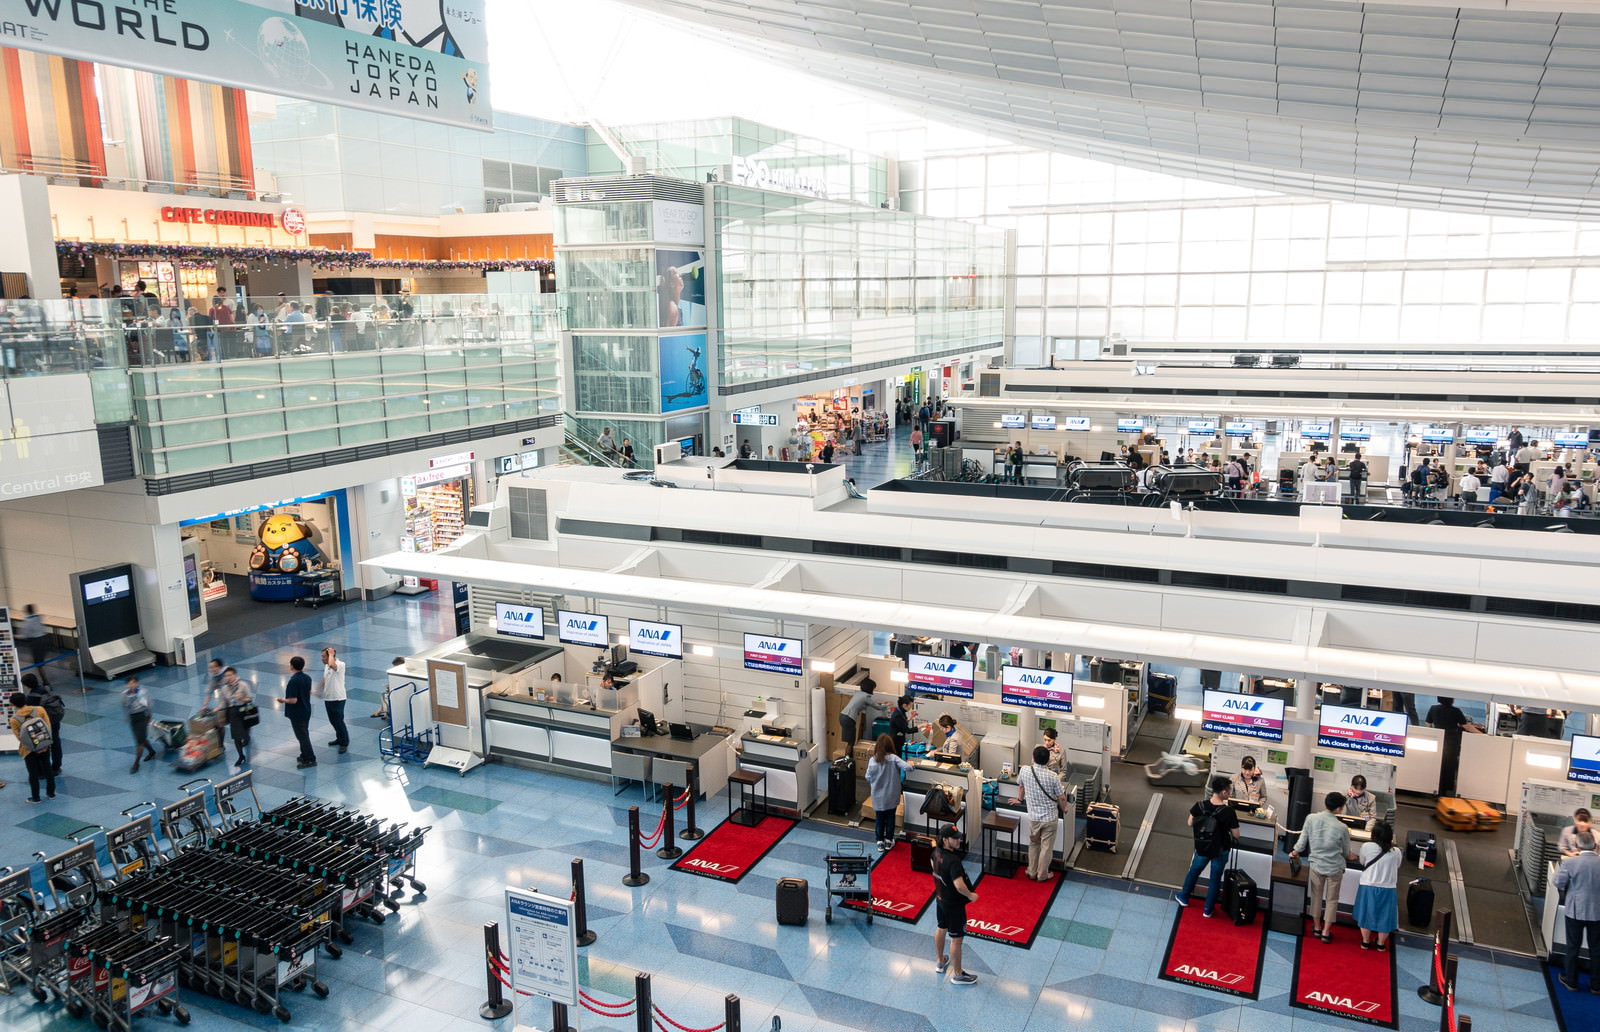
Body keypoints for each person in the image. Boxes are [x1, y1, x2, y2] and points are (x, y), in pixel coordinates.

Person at [1291, 792, 1357, 943]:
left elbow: (1301, 843)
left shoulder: (1311, 818)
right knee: (1332, 899)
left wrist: (1294, 851)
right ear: (1339, 809)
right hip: (1335, 867)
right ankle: (1326, 932)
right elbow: (1346, 853)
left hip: (1316, 865)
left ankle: (1316, 927)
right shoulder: (1342, 827)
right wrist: (1351, 856)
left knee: (1316, 897)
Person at [1175, 776, 1240, 916]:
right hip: (1221, 849)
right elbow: (1236, 835)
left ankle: (1184, 897)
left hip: (1202, 848)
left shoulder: (1199, 806)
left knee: (1194, 871)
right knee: (1215, 879)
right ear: (1223, 792)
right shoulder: (1229, 812)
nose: (1230, 793)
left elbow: (1189, 823)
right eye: (1229, 791)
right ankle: (1208, 909)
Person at [932, 824, 979, 985]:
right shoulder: (953, 861)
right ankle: (958, 974)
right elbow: (959, 885)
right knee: (956, 939)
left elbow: (935, 871)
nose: (958, 840)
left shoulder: (935, 852)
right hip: (953, 904)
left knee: (941, 927)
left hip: (940, 899)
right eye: (954, 838)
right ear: (945, 840)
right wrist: (970, 895)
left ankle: (940, 961)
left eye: (958, 837)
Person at [1554, 833, 1600, 992]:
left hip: (1575, 910)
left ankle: (1571, 981)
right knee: (1596, 949)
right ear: (1595, 846)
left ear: (1578, 847)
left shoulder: (1571, 862)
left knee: (1573, 947)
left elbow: (1558, 882)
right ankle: (1596, 985)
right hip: (1597, 912)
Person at [1016, 745, 1065, 881]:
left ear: (1033, 758)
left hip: (1033, 817)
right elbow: (1061, 797)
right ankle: (1042, 874)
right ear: (1048, 760)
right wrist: (1065, 808)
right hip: (1049, 818)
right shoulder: (1053, 776)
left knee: (1034, 843)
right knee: (1046, 847)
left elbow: (1021, 787)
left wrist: (1019, 799)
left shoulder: (1025, 771)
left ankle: (1031, 871)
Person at [1355, 822, 1402, 951]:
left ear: (1373, 835)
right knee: (1385, 917)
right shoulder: (1396, 851)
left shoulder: (1367, 847)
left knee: (1365, 914)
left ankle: (1365, 941)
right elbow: (1397, 866)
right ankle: (1381, 944)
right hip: (1388, 888)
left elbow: (1362, 862)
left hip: (1368, 885)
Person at [1426, 696, 1483, 797]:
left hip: (1438, 740)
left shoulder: (1433, 708)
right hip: (1451, 741)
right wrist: (1483, 735)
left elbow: (1428, 723)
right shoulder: (1456, 711)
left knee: (1437, 763)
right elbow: (1466, 726)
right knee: (1449, 765)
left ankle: (1436, 788)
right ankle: (1446, 789)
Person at [866, 733, 913, 851]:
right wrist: (912, 764)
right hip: (892, 795)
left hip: (878, 796)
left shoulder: (873, 760)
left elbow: (867, 777)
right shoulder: (893, 758)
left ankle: (879, 841)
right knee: (890, 818)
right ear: (890, 746)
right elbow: (907, 768)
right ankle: (888, 840)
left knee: (879, 818)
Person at [9, 690, 55, 802]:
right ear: (25, 700)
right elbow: (48, 727)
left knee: (33, 774)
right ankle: (51, 793)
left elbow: (20, 737)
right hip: (44, 745)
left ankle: (36, 797)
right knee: (48, 769)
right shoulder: (39, 709)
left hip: (28, 750)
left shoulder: (14, 719)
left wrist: (32, 747)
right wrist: (44, 744)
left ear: (14, 704)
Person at [205, 665, 254, 768]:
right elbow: (223, 703)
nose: (228, 677)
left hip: (243, 709)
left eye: (230, 675)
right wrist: (218, 708)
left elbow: (250, 698)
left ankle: (247, 737)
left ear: (235, 675)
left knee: (245, 731)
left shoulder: (243, 685)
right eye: (226, 676)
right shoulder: (224, 688)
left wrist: (243, 698)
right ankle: (241, 755)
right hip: (233, 712)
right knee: (236, 736)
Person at [22, 673, 64, 775]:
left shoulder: (32, 697)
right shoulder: (46, 688)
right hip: (55, 718)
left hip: (43, 724)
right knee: (56, 742)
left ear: (27, 685)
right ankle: (56, 767)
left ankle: (43, 770)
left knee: (42, 746)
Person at [279, 656, 316, 769]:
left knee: (302, 736)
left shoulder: (293, 681)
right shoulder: (307, 678)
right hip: (306, 710)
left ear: (291, 666)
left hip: (297, 713)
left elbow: (293, 700)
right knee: (304, 733)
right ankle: (304, 754)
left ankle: (310, 758)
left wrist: (283, 700)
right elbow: (308, 693)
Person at [838, 679, 890, 753]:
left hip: (843, 716)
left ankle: (848, 757)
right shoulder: (866, 697)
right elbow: (878, 708)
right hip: (849, 718)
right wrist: (887, 705)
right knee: (851, 742)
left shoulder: (858, 694)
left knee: (849, 740)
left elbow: (865, 704)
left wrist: (878, 703)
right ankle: (848, 759)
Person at [122, 676, 158, 774]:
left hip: (142, 717)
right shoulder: (126, 694)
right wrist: (127, 717)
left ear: (137, 683)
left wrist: (149, 716)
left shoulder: (142, 693)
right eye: (129, 683)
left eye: (133, 682)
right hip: (133, 719)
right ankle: (151, 751)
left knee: (139, 743)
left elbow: (149, 704)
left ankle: (136, 763)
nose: (131, 685)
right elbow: (125, 706)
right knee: (140, 738)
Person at [319, 647, 349, 755]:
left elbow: (333, 665)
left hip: (338, 698)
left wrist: (331, 654)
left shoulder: (340, 664)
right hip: (328, 698)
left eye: (324, 656)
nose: (322, 659)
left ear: (331, 656)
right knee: (333, 720)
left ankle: (344, 742)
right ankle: (339, 738)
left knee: (339, 721)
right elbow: (326, 679)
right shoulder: (326, 666)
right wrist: (319, 690)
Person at [15, 603, 50, 681]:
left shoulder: (28, 622)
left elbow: (24, 635)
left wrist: (13, 636)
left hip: (37, 642)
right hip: (45, 639)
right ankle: (44, 678)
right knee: (41, 661)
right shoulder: (38, 618)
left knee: (38, 663)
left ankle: (45, 681)